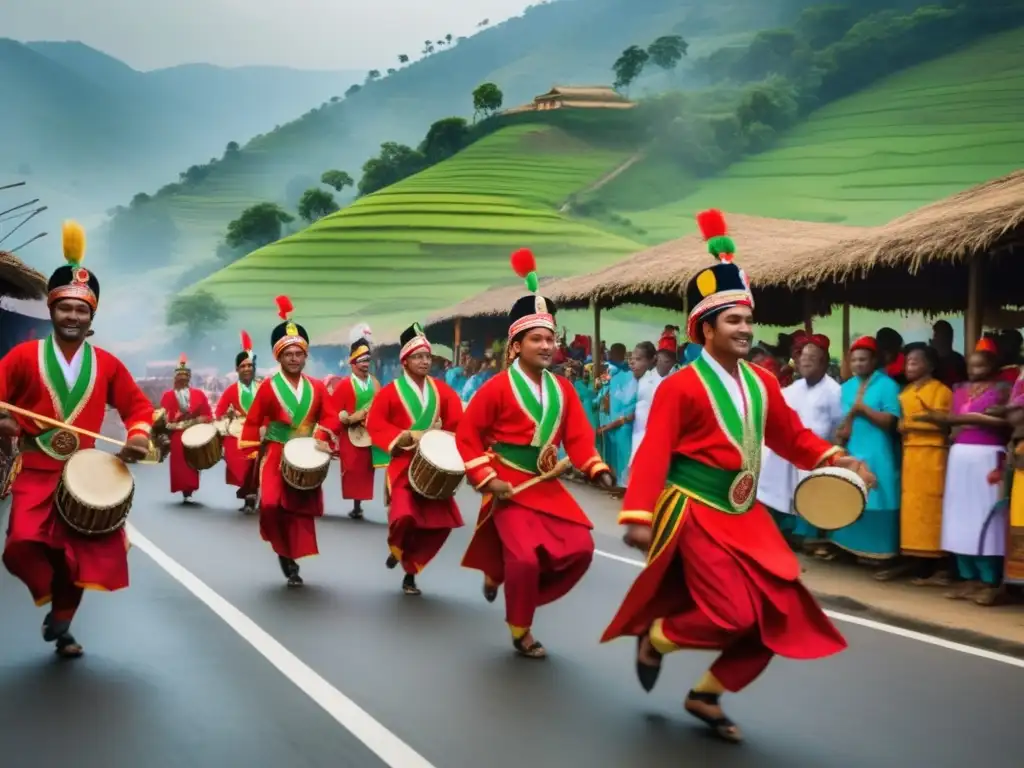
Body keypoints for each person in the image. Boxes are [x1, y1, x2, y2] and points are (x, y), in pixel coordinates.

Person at [601, 210, 873, 743]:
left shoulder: (765, 384)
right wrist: (637, 513)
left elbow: (792, 439)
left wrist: (839, 460)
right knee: (730, 615)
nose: (746, 329)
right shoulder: (679, 386)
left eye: (749, 320)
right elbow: (654, 451)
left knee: (780, 615)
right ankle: (656, 637)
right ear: (706, 329)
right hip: (696, 510)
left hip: (746, 516)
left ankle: (705, 694)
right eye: (734, 321)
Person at [0, 220, 154, 657]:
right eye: (65, 308)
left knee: (80, 555)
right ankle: (52, 596)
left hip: (84, 473)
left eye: (81, 310)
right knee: (20, 546)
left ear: (91, 316)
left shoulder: (107, 364)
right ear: (52, 310)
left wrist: (138, 436)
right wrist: (3, 419)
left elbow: (138, 409)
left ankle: (63, 622)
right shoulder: (23, 356)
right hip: (35, 469)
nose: (72, 316)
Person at [457, 249, 613, 658]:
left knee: (580, 550)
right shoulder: (494, 388)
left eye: (551, 338)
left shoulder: (562, 389)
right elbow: (468, 437)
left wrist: (595, 467)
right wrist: (488, 479)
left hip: (546, 486)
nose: (547, 345)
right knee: (524, 561)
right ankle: (521, 627)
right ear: (516, 345)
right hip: (509, 484)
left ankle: (511, 587)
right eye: (537, 339)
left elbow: (578, 437)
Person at [238, 296, 341, 587]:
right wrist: (250, 447)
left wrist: (322, 436)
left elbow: (332, 419)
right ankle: (281, 549)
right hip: (275, 453)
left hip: (306, 453)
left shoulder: (318, 388)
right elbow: (254, 421)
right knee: (270, 505)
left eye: (299, 353)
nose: (294, 358)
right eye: (289, 354)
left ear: (305, 357)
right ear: (279, 357)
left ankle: (290, 557)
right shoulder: (269, 388)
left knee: (297, 508)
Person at [365, 323, 463, 596]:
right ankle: (396, 546)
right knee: (405, 515)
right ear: (405, 361)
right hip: (404, 465)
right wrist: (402, 437)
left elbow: (459, 424)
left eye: (427, 357)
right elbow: (376, 424)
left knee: (441, 525)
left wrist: (446, 441)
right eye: (418, 357)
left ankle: (410, 570)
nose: (424, 362)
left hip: (435, 467)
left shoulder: (443, 392)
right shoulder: (389, 392)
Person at [923, 337, 1009, 606]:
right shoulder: (959, 389)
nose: (974, 370)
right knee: (958, 516)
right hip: (960, 456)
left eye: (980, 365)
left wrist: (966, 419)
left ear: (992, 365)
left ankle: (989, 581)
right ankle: (967, 576)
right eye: (971, 366)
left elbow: (1007, 423)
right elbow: (953, 425)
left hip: (988, 457)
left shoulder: (1004, 388)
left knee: (985, 518)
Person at [756, 335, 842, 547]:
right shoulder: (793, 388)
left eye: (811, 358)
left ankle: (809, 536)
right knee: (774, 485)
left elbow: (837, 425)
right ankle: (778, 531)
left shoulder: (834, 391)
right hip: (788, 451)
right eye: (803, 358)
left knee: (808, 494)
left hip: (816, 453)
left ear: (823, 362)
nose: (805, 362)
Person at [877, 343, 953, 583]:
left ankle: (937, 562)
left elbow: (947, 424)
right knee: (912, 507)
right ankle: (914, 557)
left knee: (932, 506)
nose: (909, 366)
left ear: (929, 365)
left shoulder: (942, 391)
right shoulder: (905, 393)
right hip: (910, 454)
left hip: (934, 454)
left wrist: (917, 424)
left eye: (915, 362)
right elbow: (900, 425)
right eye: (907, 362)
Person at [829, 336, 901, 563]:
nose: (858, 364)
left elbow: (891, 421)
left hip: (878, 449)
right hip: (853, 448)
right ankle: (849, 548)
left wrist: (863, 410)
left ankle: (880, 553)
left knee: (879, 496)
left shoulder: (888, 385)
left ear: (874, 361)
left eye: (863, 360)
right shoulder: (846, 387)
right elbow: (839, 419)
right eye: (855, 360)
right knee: (850, 495)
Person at [331, 328, 387, 520]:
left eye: (367, 361)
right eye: (361, 361)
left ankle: (359, 504)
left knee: (365, 469)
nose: (365, 365)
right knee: (352, 468)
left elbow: (381, 405)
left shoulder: (375, 383)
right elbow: (334, 410)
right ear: (353, 363)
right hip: (350, 433)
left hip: (368, 433)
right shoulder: (345, 385)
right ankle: (355, 502)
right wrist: (346, 418)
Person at [214, 330, 260, 514]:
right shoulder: (231, 391)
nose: (247, 369)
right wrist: (228, 413)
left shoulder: (263, 387)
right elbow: (218, 414)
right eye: (243, 366)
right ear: (237, 370)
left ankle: (251, 494)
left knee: (258, 463)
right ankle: (248, 491)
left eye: (249, 365)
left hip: (259, 431)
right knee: (239, 462)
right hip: (237, 432)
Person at [160, 355, 213, 503]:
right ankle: (185, 491)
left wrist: (200, 420)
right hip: (177, 432)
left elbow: (207, 414)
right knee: (180, 463)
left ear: (189, 378)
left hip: (193, 431)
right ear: (175, 379)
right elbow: (163, 417)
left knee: (192, 462)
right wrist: (172, 419)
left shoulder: (198, 394)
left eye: (185, 377)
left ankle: (189, 489)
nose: (182, 379)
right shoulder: (168, 396)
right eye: (179, 377)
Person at [629, 341, 664, 471]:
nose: (632, 363)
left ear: (652, 360)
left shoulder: (656, 384)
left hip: (646, 440)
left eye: (638, 359)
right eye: (632, 359)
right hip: (635, 437)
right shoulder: (637, 380)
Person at [931, 320, 967, 387]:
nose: (932, 339)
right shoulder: (930, 361)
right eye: (934, 335)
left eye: (935, 335)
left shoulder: (959, 361)